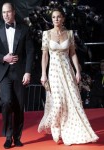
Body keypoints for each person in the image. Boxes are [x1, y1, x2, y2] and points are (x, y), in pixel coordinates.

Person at [38, 7, 99, 146]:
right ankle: (56, 125)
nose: (56, 19)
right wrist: (43, 74)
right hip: (53, 72)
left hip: (67, 71)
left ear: (63, 18)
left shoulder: (70, 34)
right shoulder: (46, 34)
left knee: (72, 101)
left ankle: (68, 129)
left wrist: (77, 71)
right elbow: (44, 56)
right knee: (58, 101)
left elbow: (73, 53)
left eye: (58, 17)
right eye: (53, 17)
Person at [0, 2, 34, 149]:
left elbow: (30, 52)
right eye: (3, 13)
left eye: (8, 12)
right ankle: (8, 136)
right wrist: (3, 58)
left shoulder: (24, 30)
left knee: (19, 106)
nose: (6, 15)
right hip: (4, 73)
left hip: (20, 72)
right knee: (6, 102)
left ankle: (17, 137)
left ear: (14, 12)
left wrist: (27, 72)